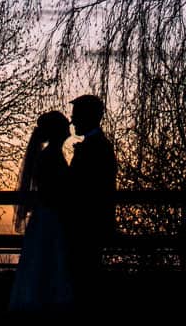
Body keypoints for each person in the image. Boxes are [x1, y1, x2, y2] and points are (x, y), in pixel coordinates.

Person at [9, 109, 75, 312]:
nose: (69, 127)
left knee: (43, 259)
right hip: (50, 216)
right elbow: (53, 190)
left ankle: (41, 300)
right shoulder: (50, 157)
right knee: (47, 259)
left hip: (47, 215)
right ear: (57, 131)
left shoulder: (50, 155)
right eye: (65, 125)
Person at [64, 94, 117, 304]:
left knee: (85, 275)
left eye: (76, 115)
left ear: (88, 117)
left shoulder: (97, 147)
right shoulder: (95, 145)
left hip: (87, 224)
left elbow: (89, 188)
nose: (72, 120)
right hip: (87, 223)